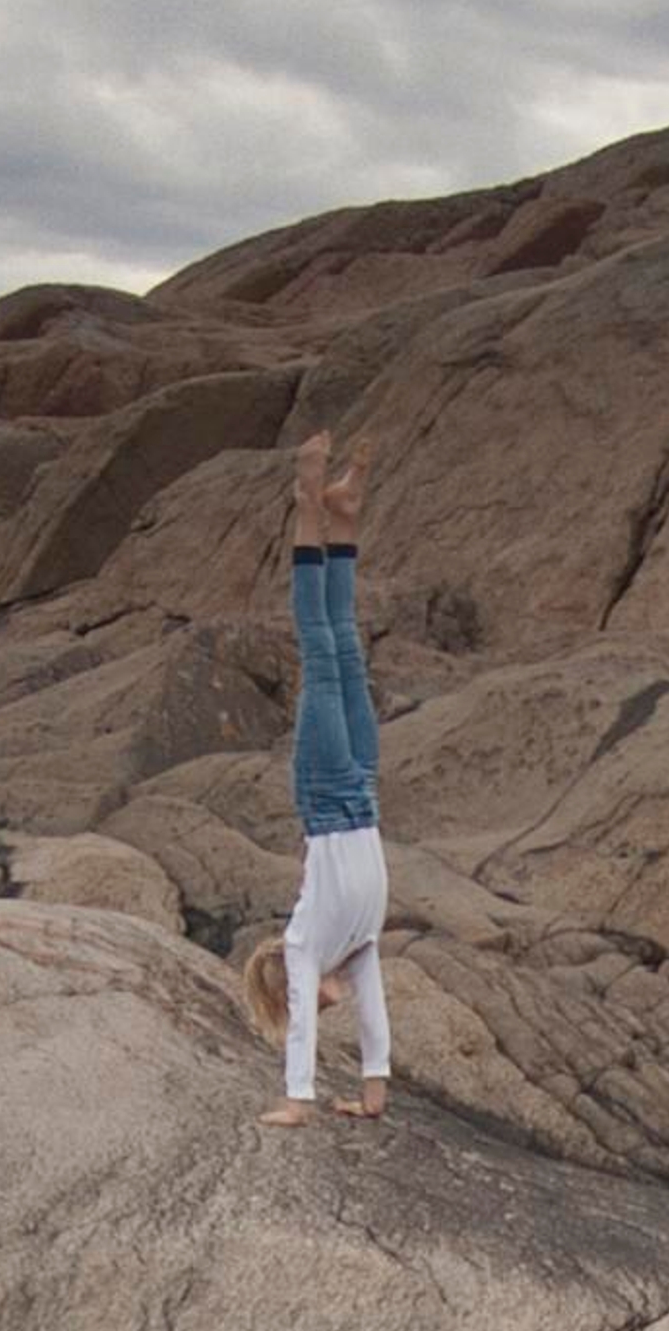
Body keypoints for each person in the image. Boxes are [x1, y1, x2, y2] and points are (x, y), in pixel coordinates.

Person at [238, 431, 392, 1127]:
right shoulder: (357, 947)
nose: (321, 1009)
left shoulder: (304, 949)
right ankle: (346, 514)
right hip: (363, 789)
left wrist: (297, 1101)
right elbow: (377, 1014)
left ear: (289, 987)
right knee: (349, 651)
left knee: (322, 654)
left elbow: (301, 1029)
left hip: (327, 798)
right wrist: (373, 1094)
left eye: (305, 1003)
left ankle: (309, 500)